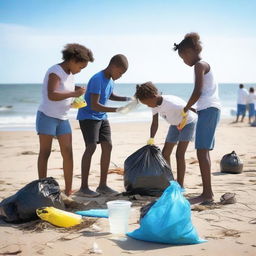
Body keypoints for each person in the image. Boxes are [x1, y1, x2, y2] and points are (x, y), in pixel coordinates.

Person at [36, 43, 94, 196]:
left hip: (62, 118)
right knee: (45, 152)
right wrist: (73, 94)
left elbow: (65, 94)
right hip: (47, 116)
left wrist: (76, 97)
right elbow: (52, 94)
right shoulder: (55, 71)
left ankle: (68, 190)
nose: (80, 70)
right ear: (73, 60)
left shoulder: (71, 75)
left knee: (68, 152)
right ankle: (43, 188)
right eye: (80, 67)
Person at [174, 32, 221, 204]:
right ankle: (207, 193)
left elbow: (198, 91)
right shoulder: (203, 65)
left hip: (209, 109)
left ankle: (207, 194)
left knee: (202, 151)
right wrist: (195, 107)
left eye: (183, 57)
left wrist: (186, 107)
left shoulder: (199, 65)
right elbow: (205, 93)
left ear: (190, 52)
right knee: (203, 151)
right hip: (208, 109)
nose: (184, 61)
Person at [77, 54, 131, 197]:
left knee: (108, 146)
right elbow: (94, 105)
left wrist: (128, 99)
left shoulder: (110, 80)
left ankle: (102, 186)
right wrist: (117, 110)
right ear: (113, 66)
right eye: (120, 72)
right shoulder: (96, 79)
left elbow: (110, 95)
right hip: (88, 116)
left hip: (101, 117)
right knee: (91, 147)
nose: (120, 76)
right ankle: (83, 187)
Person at [135, 82, 197, 188]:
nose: (148, 106)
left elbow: (192, 108)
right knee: (165, 153)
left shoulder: (172, 103)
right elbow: (155, 123)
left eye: (147, 103)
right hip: (174, 124)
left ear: (153, 96)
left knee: (179, 154)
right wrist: (151, 138)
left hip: (188, 123)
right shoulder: (154, 104)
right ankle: (170, 181)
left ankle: (180, 185)